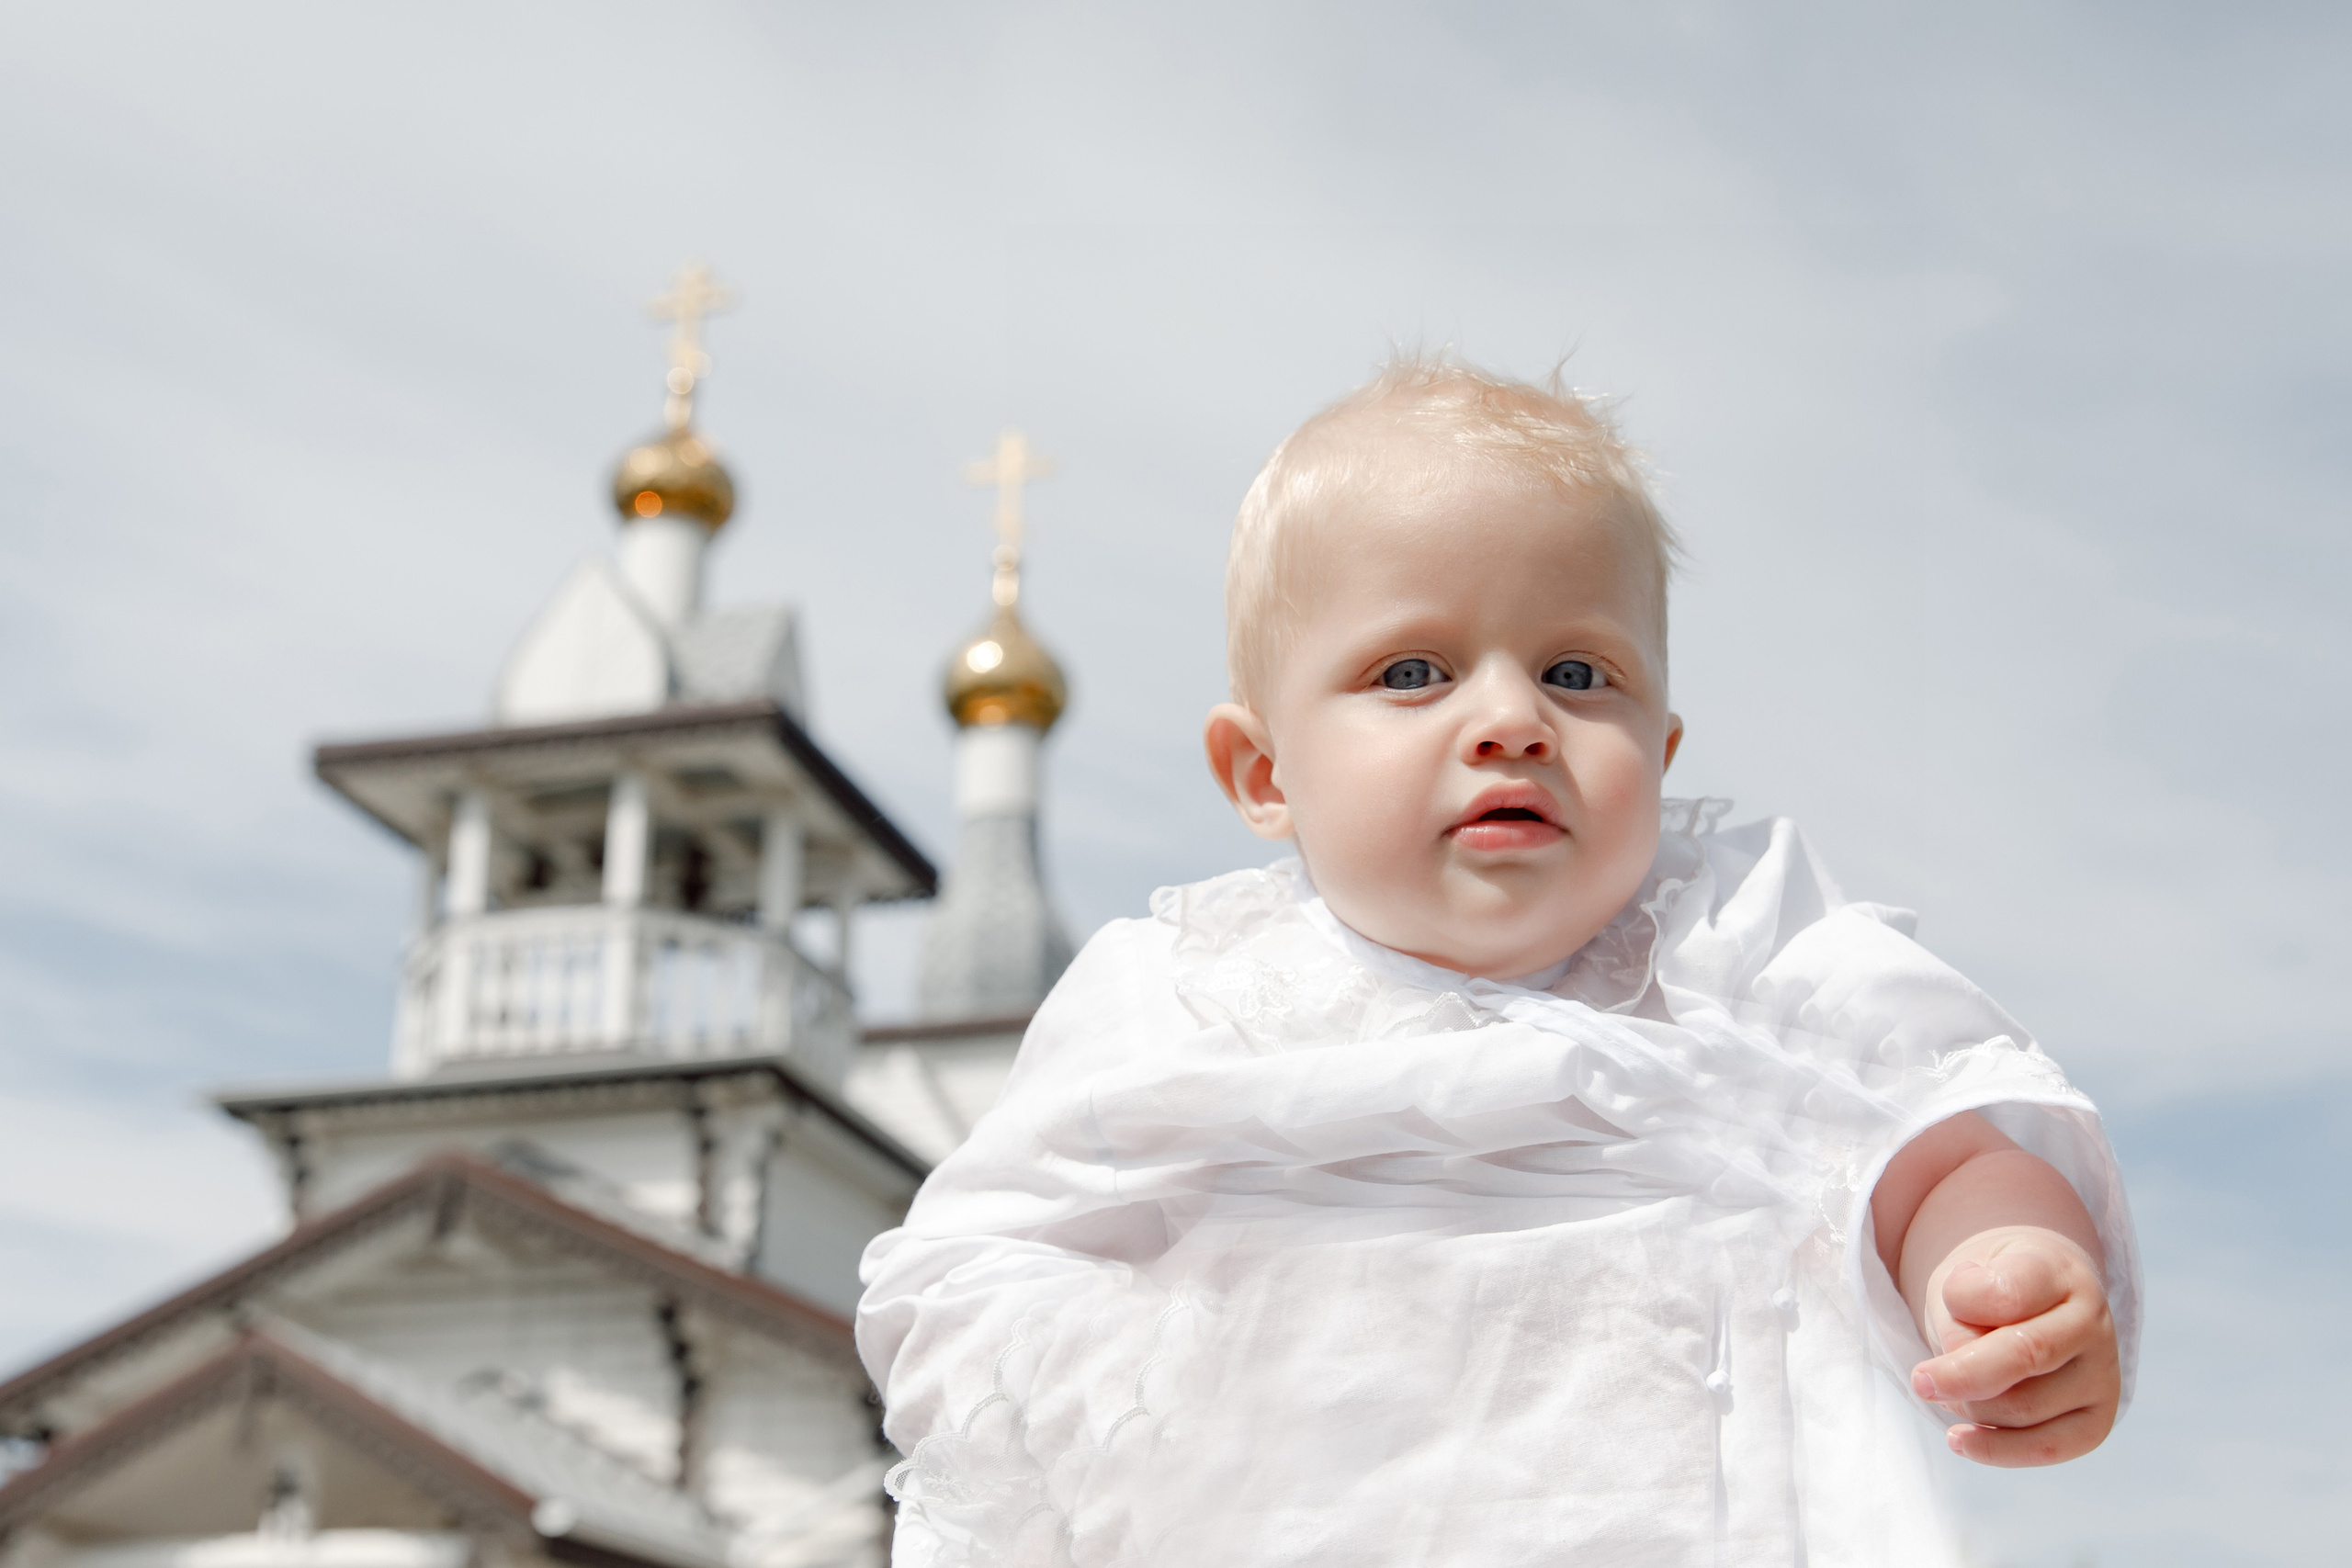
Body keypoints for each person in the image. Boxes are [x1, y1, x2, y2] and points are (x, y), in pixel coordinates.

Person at [856, 357, 2139, 1566]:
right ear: (1264, 773)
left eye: (1580, 673)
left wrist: (2001, 1267)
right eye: (1412, 671)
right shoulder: (1186, 994)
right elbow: (968, 1261)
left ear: (1665, 748)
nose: (1513, 720)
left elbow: (1939, 1142)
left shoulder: (1735, 947)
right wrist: (1125, 1400)